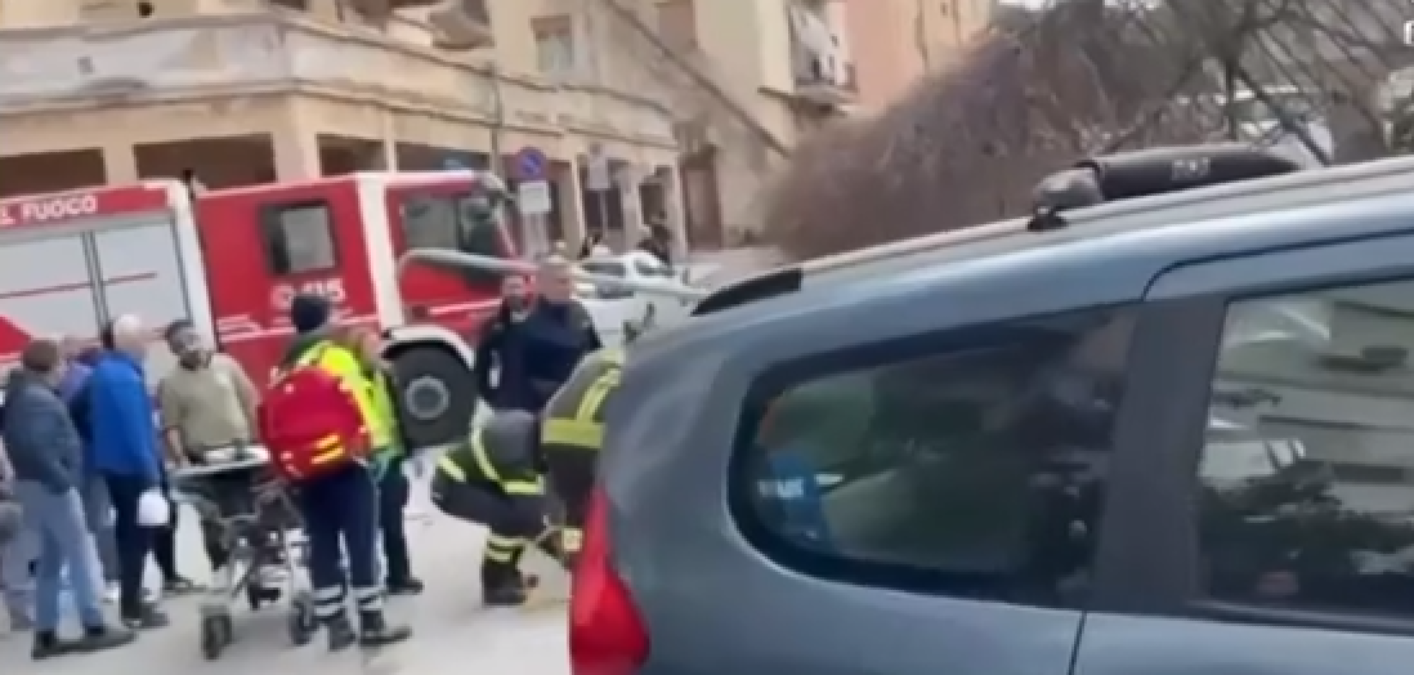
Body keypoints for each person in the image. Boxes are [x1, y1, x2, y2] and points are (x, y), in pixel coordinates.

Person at [280, 295, 411, 649]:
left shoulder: (285, 364)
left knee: (321, 542)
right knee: (360, 541)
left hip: (306, 470)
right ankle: (372, 621)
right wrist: (379, 447)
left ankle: (335, 623)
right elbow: (359, 404)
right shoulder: (334, 356)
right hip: (345, 464)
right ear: (325, 319)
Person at [2, 339, 134, 658]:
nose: (65, 370)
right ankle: (93, 625)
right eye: (61, 363)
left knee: (50, 560)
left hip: (33, 486)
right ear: (50, 366)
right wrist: (64, 481)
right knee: (78, 554)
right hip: (51, 488)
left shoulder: (20, 395)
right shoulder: (40, 400)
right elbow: (39, 448)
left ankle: (45, 634)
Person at [156, 319, 259, 575]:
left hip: (240, 452)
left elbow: (249, 399)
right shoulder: (171, 383)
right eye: (181, 344)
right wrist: (179, 458)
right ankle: (221, 566)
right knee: (214, 515)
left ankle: (259, 567)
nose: (190, 347)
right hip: (205, 458)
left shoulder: (227, 364)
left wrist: (258, 436)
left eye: (192, 338)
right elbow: (171, 425)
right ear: (173, 350)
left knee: (249, 509)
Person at [431, 410, 563, 606]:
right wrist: (567, 557)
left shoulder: (529, 429)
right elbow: (531, 518)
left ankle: (508, 574)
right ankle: (494, 585)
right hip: (453, 487)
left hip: (478, 479)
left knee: (517, 515)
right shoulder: (517, 454)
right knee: (511, 521)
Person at [88, 315, 170, 629]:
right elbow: (136, 429)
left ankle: (134, 603)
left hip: (116, 465)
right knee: (137, 537)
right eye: (142, 338)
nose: (147, 344)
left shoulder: (105, 372)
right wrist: (151, 472)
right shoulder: (122, 377)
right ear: (126, 341)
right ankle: (134, 606)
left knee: (130, 535)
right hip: (131, 469)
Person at [346, 328, 423, 596]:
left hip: (391, 457)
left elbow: (400, 413)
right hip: (366, 460)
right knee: (367, 525)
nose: (378, 351)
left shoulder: (387, 376)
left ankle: (399, 575)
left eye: (378, 345)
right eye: (371, 346)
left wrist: (411, 450)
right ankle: (369, 578)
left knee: (393, 521)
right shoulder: (351, 381)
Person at [540, 347, 622, 563]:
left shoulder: (596, 358)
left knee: (573, 506)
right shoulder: (649, 364)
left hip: (556, 432)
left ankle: (575, 560)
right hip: (598, 439)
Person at [57, 336, 119, 602]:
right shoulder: (68, 381)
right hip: (76, 462)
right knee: (88, 523)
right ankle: (100, 579)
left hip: (87, 462)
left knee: (98, 522)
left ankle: (110, 578)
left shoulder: (82, 380)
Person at [521, 256, 603, 412]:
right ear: (541, 285)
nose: (569, 287)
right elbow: (519, 383)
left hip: (586, 405)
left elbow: (596, 353)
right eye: (562, 281)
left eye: (571, 281)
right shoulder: (526, 326)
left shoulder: (579, 312)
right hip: (548, 410)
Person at [472, 274, 537, 412]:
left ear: (526, 289)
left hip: (535, 400)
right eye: (509, 287)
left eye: (517, 287)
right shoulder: (493, 326)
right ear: (502, 291)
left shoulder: (538, 321)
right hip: (505, 400)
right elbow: (481, 364)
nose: (514, 293)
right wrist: (488, 394)